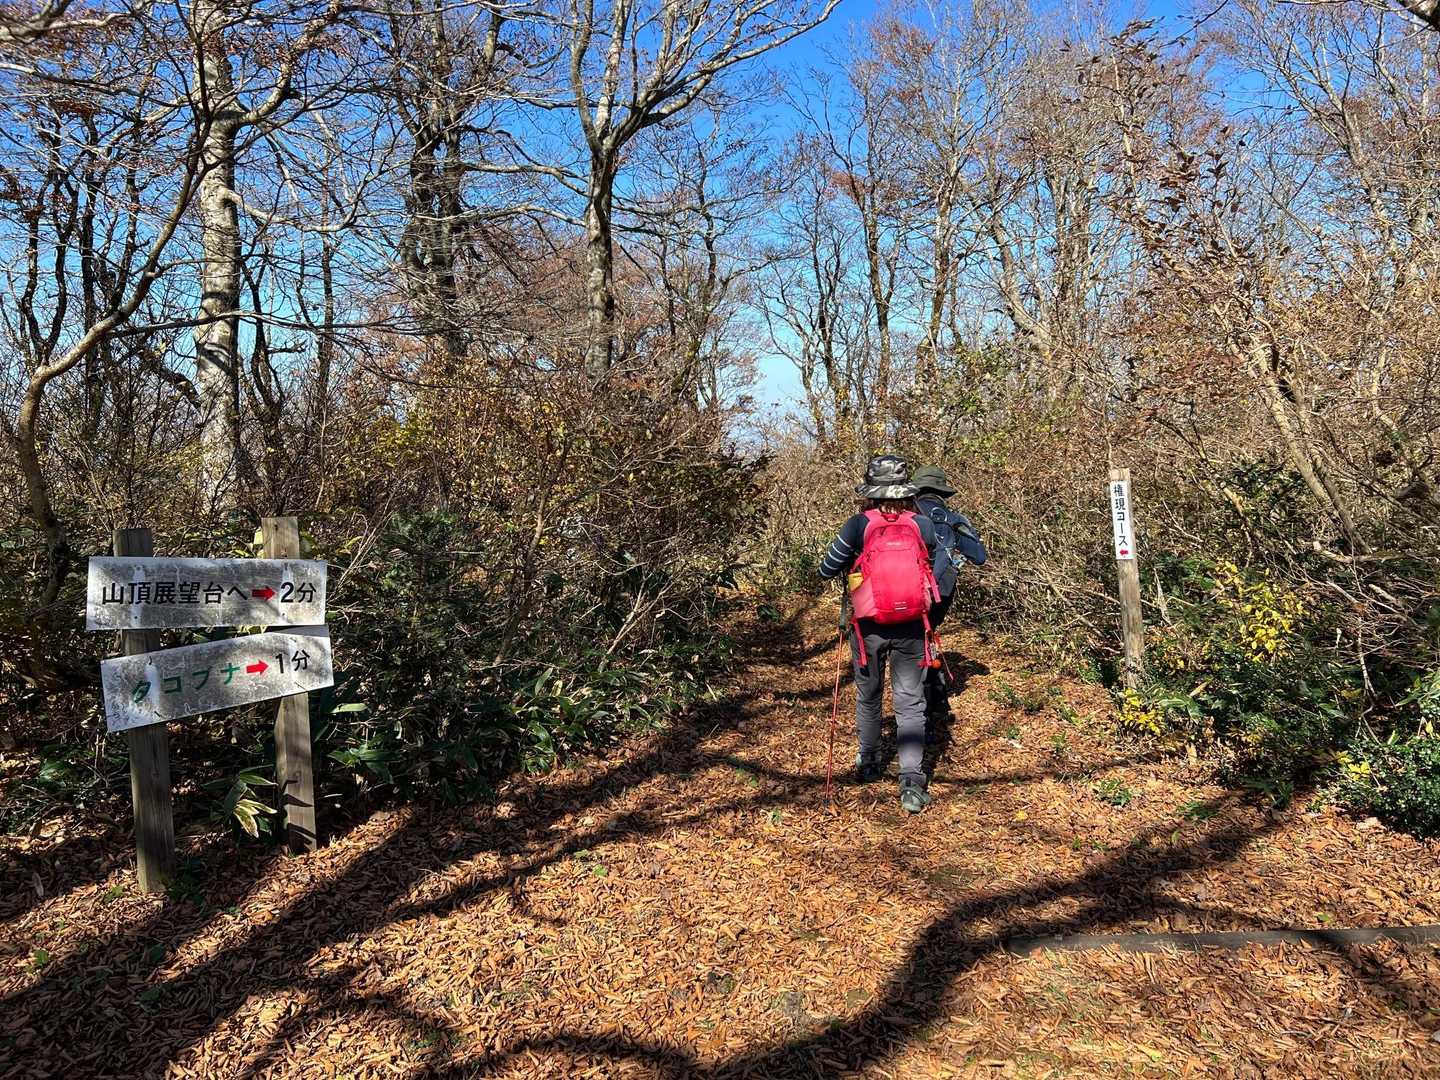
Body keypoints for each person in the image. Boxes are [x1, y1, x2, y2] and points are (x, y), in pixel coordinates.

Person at [819, 455, 938, 814]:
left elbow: (826, 568)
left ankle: (869, 761)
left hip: (867, 626)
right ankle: (912, 783)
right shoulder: (921, 524)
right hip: (912, 625)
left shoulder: (858, 525)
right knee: (910, 702)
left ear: (870, 491)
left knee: (869, 696)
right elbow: (929, 564)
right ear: (905, 491)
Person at [911, 465, 987, 719]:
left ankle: (925, 706)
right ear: (942, 492)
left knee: (913, 644)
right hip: (941, 591)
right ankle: (937, 703)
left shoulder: (906, 515)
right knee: (926, 638)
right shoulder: (953, 518)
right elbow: (979, 556)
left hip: (908, 588)